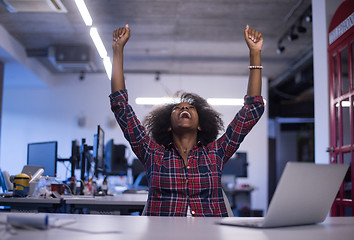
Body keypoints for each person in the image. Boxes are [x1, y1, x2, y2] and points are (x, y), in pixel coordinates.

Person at [109, 24, 264, 217]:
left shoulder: (216, 153)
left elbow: (252, 110)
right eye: (178, 108)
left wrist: (255, 54)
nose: (184, 108)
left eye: (191, 108)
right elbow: (120, 107)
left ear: (200, 124)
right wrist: (117, 50)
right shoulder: (152, 154)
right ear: (167, 126)